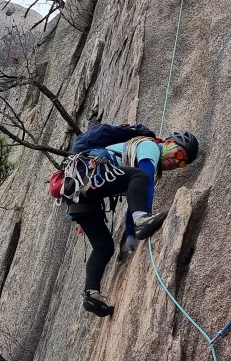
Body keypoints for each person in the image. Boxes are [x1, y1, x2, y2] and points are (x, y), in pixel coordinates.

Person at [66, 130, 199, 317]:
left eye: (182, 162)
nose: (177, 162)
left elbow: (135, 195)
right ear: (168, 142)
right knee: (140, 177)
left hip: (78, 192)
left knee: (103, 247)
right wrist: (139, 223)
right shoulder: (150, 146)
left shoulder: (144, 156)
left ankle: (91, 294)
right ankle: (141, 219)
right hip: (89, 172)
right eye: (178, 154)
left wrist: (131, 233)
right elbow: (144, 182)